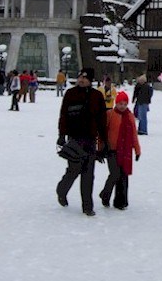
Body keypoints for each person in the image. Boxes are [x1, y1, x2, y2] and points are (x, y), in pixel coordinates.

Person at [56, 67, 108, 217]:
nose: (81, 80)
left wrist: (103, 141)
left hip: (90, 139)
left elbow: (101, 120)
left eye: (84, 78)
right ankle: (62, 190)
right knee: (74, 170)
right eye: (80, 77)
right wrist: (61, 134)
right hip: (75, 138)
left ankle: (87, 206)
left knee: (88, 173)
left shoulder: (97, 96)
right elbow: (63, 115)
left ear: (90, 80)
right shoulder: (70, 94)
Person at [99, 91, 141, 210]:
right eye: (120, 103)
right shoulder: (110, 114)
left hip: (125, 151)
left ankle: (120, 202)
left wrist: (137, 150)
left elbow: (133, 135)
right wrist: (100, 148)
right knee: (114, 174)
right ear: (116, 103)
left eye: (125, 104)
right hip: (111, 150)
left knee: (123, 176)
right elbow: (102, 133)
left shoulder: (130, 116)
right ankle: (105, 195)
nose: (122, 106)